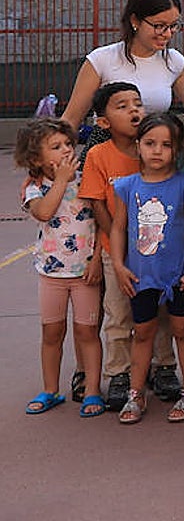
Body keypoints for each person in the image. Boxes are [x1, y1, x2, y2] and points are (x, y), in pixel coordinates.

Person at [78, 82, 178, 410]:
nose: (133, 110)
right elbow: (99, 205)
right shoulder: (98, 155)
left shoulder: (154, 148)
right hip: (116, 250)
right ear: (103, 121)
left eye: (137, 103)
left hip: (158, 252)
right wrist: (120, 251)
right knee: (119, 313)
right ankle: (120, 372)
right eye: (121, 106)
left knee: (160, 311)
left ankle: (162, 367)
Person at [108, 113, 184, 425]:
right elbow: (118, 228)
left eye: (166, 144)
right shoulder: (126, 186)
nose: (157, 150)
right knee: (143, 332)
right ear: (138, 146)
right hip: (140, 275)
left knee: (183, 330)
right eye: (150, 143)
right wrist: (119, 266)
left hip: (177, 276)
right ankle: (136, 393)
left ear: (177, 150)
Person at [16, 118, 104, 417]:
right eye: (56, 147)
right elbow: (43, 212)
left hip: (84, 273)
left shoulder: (86, 179)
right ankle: (50, 389)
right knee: (52, 333)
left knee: (87, 333)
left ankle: (92, 390)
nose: (66, 150)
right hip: (51, 274)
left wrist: (97, 257)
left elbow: (103, 221)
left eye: (68, 143)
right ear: (36, 159)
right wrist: (62, 181)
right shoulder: (35, 188)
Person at [62, 0, 184, 132]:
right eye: (159, 26)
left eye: (173, 25)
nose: (167, 34)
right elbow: (71, 120)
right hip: (108, 153)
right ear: (135, 21)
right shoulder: (101, 60)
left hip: (154, 152)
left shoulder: (174, 61)